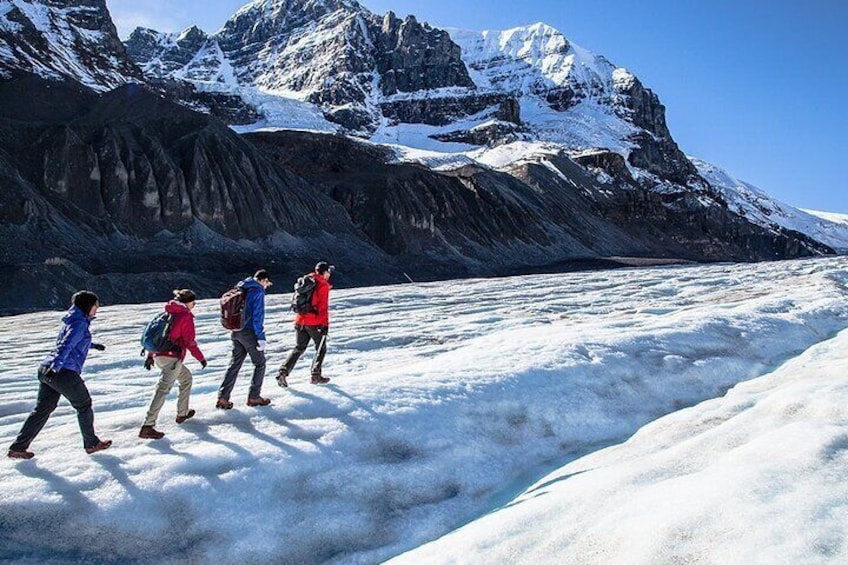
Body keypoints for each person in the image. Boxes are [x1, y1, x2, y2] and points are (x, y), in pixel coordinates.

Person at [7, 291, 112, 459]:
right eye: (96, 305)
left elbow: (71, 342)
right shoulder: (80, 323)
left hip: (46, 369)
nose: (97, 308)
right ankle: (91, 443)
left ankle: (18, 447)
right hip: (62, 371)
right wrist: (56, 368)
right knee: (84, 404)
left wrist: (92, 345)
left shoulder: (73, 320)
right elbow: (66, 345)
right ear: (88, 306)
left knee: (42, 410)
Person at [139, 289, 207, 440]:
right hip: (172, 358)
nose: (194, 305)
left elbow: (157, 335)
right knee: (163, 389)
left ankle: (182, 412)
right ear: (188, 302)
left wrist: (150, 356)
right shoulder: (185, 316)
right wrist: (201, 358)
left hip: (159, 356)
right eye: (193, 302)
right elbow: (189, 342)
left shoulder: (166, 313)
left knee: (186, 378)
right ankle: (148, 426)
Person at [217, 270, 273, 408]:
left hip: (236, 330)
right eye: (267, 282)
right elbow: (257, 317)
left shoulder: (242, 288)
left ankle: (223, 398)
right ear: (263, 280)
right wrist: (261, 337)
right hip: (249, 332)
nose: (266, 286)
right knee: (260, 363)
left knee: (235, 364)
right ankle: (254, 397)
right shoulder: (257, 292)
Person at [277, 261, 334, 387]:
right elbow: (323, 308)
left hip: (300, 320)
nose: (329, 275)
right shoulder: (322, 285)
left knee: (299, 348)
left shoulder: (306, 281)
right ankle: (316, 375)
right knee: (321, 348)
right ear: (324, 272)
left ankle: (283, 372)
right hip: (314, 322)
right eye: (328, 272)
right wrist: (325, 325)